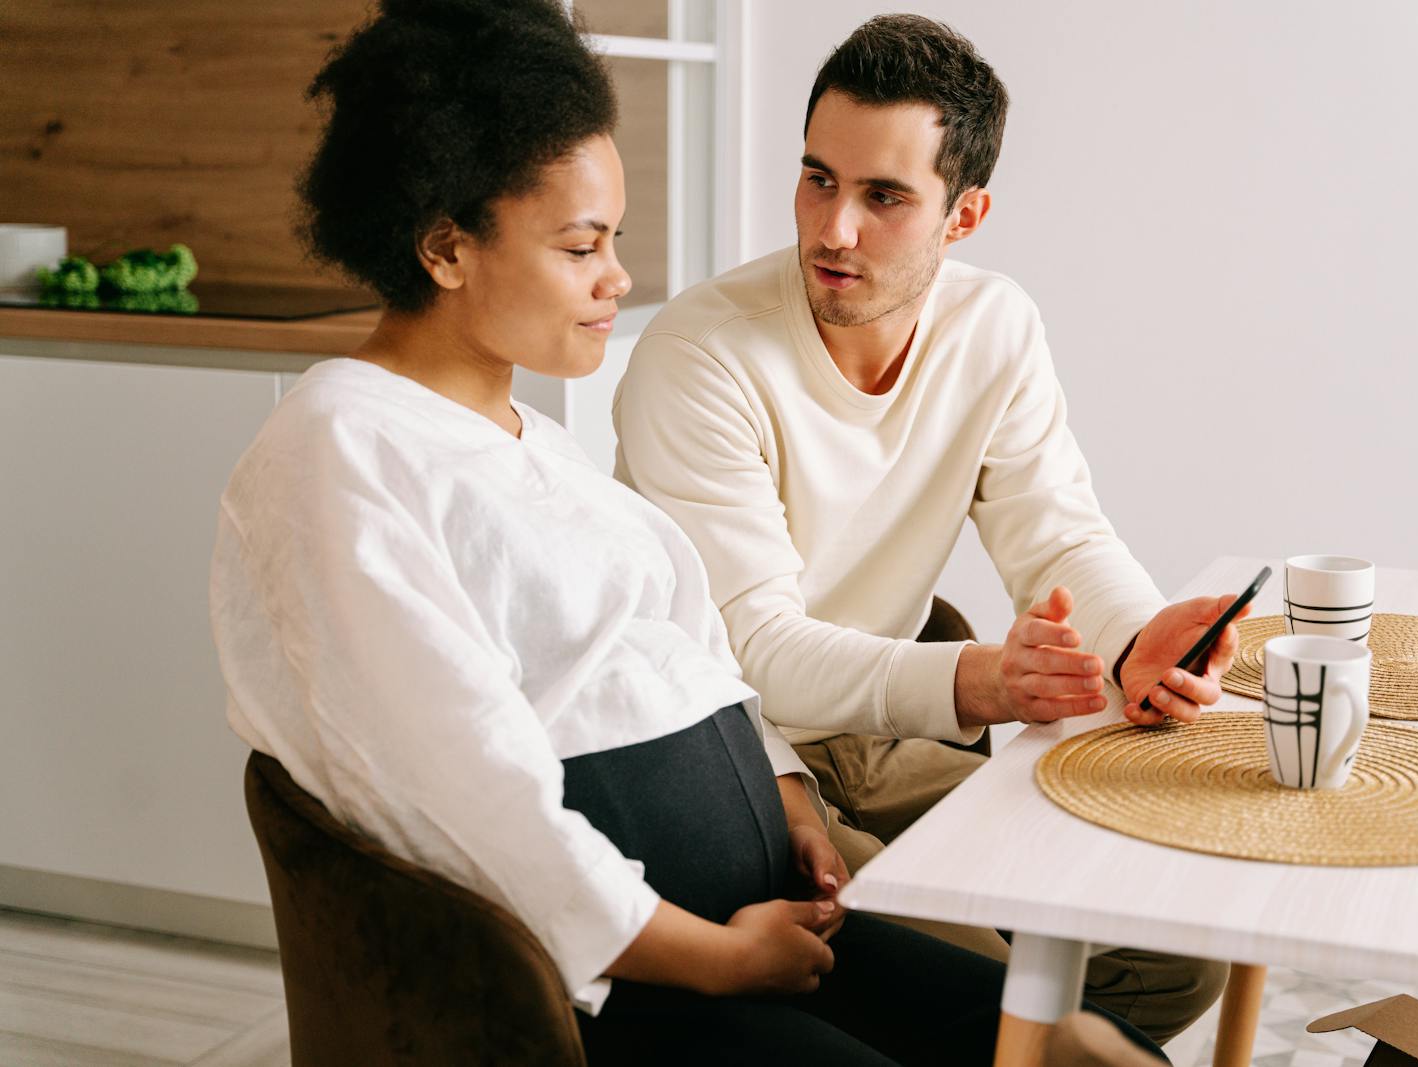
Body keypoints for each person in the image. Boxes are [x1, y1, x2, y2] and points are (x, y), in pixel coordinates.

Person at [208, 1, 1167, 1062]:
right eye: (582, 246)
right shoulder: (342, 448)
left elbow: (684, 660)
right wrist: (715, 956)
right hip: (634, 982)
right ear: (445, 248)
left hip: (761, 902)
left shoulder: (530, 442)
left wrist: (790, 797)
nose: (618, 276)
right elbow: (470, 791)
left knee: (1094, 1041)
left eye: (612, 239)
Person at [613, 13, 1246, 1047]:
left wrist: (1140, 638)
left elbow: (1058, 537)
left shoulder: (994, 327)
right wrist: (979, 680)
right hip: (739, 752)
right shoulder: (703, 354)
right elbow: (756, 650)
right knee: (1003, 992)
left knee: (1173, 950)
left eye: (883, 196)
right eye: (817, 177)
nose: (833, 229)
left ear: (964, 215)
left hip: (885, 735)